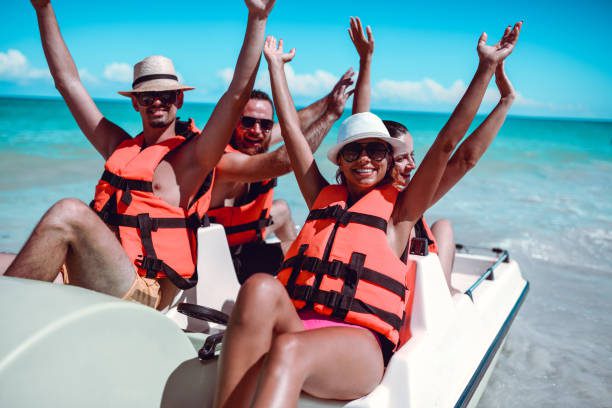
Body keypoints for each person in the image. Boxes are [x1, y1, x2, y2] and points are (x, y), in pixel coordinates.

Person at [213, 19, 521, 407]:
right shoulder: (324, 196)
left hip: (359, 345)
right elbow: (292, 134)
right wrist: (276, 68)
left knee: (289, 350)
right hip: (302, 324)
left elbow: (448, 149)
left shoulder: (402, 212)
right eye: (354, 151)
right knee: (258, 286)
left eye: (377, 151)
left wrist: (485, 69)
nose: (365, 159)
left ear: (389, 159)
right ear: (340, 160)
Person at [4, 0, 276, 311]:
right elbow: (68, 84)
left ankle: (8, 323)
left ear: (180, 99)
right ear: (136, 102)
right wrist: (43, 9)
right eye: (148, 96)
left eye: (165, 95)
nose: (157, 102)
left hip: (145, 289)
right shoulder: (117, 145)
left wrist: (257, 18)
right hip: (99, 272)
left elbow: (237, 94)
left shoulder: (195, 157)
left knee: (69, 212)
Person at [349, 16, 519, 292]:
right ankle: (448, 293)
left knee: (444, 227)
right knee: (444, 227)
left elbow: (465, 157)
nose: (412, 165)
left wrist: (505, 101)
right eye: (402, 157)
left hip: (406, 296)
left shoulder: (405, 200)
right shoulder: (403, 204)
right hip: (397, 306)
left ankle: (446, 288)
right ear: (379, 159)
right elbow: (459, 155)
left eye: (413, 155)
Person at [204, 75, 353, 283]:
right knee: (294, 252)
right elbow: (285, 160)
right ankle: (294, 276)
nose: (257, 131)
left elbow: (295, 122)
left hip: (248, 242)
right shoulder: (223, 160)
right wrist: (330, 116)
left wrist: (330, 99)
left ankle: (294, 273)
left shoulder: (255, 139)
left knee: (281, 209)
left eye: (265, 124)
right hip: (220, 260)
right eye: (247, 122)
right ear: (233, 122)